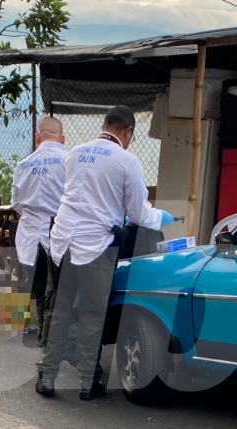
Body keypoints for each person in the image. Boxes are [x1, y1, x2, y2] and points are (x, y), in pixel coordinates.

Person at [37, 105, 173, 401]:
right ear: (128, 131)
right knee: (91, 315)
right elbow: (138, 213)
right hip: (95, 248)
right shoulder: (127, 160)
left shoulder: (75, 153)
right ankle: (88, 384)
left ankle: (46, 377)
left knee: (60, 312)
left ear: (104, 125)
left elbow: (78, 196)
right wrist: (161, 217)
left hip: (61, 244)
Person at [11, 117, 68, 348]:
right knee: (60, 287)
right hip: (59, 232)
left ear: (37, 138)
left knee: (37, 285)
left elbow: (16, 204)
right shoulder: (69, 161)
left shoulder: (23, 165)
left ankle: (42, 333)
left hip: (30, 234)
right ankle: (53, 336)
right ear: (63, 139)